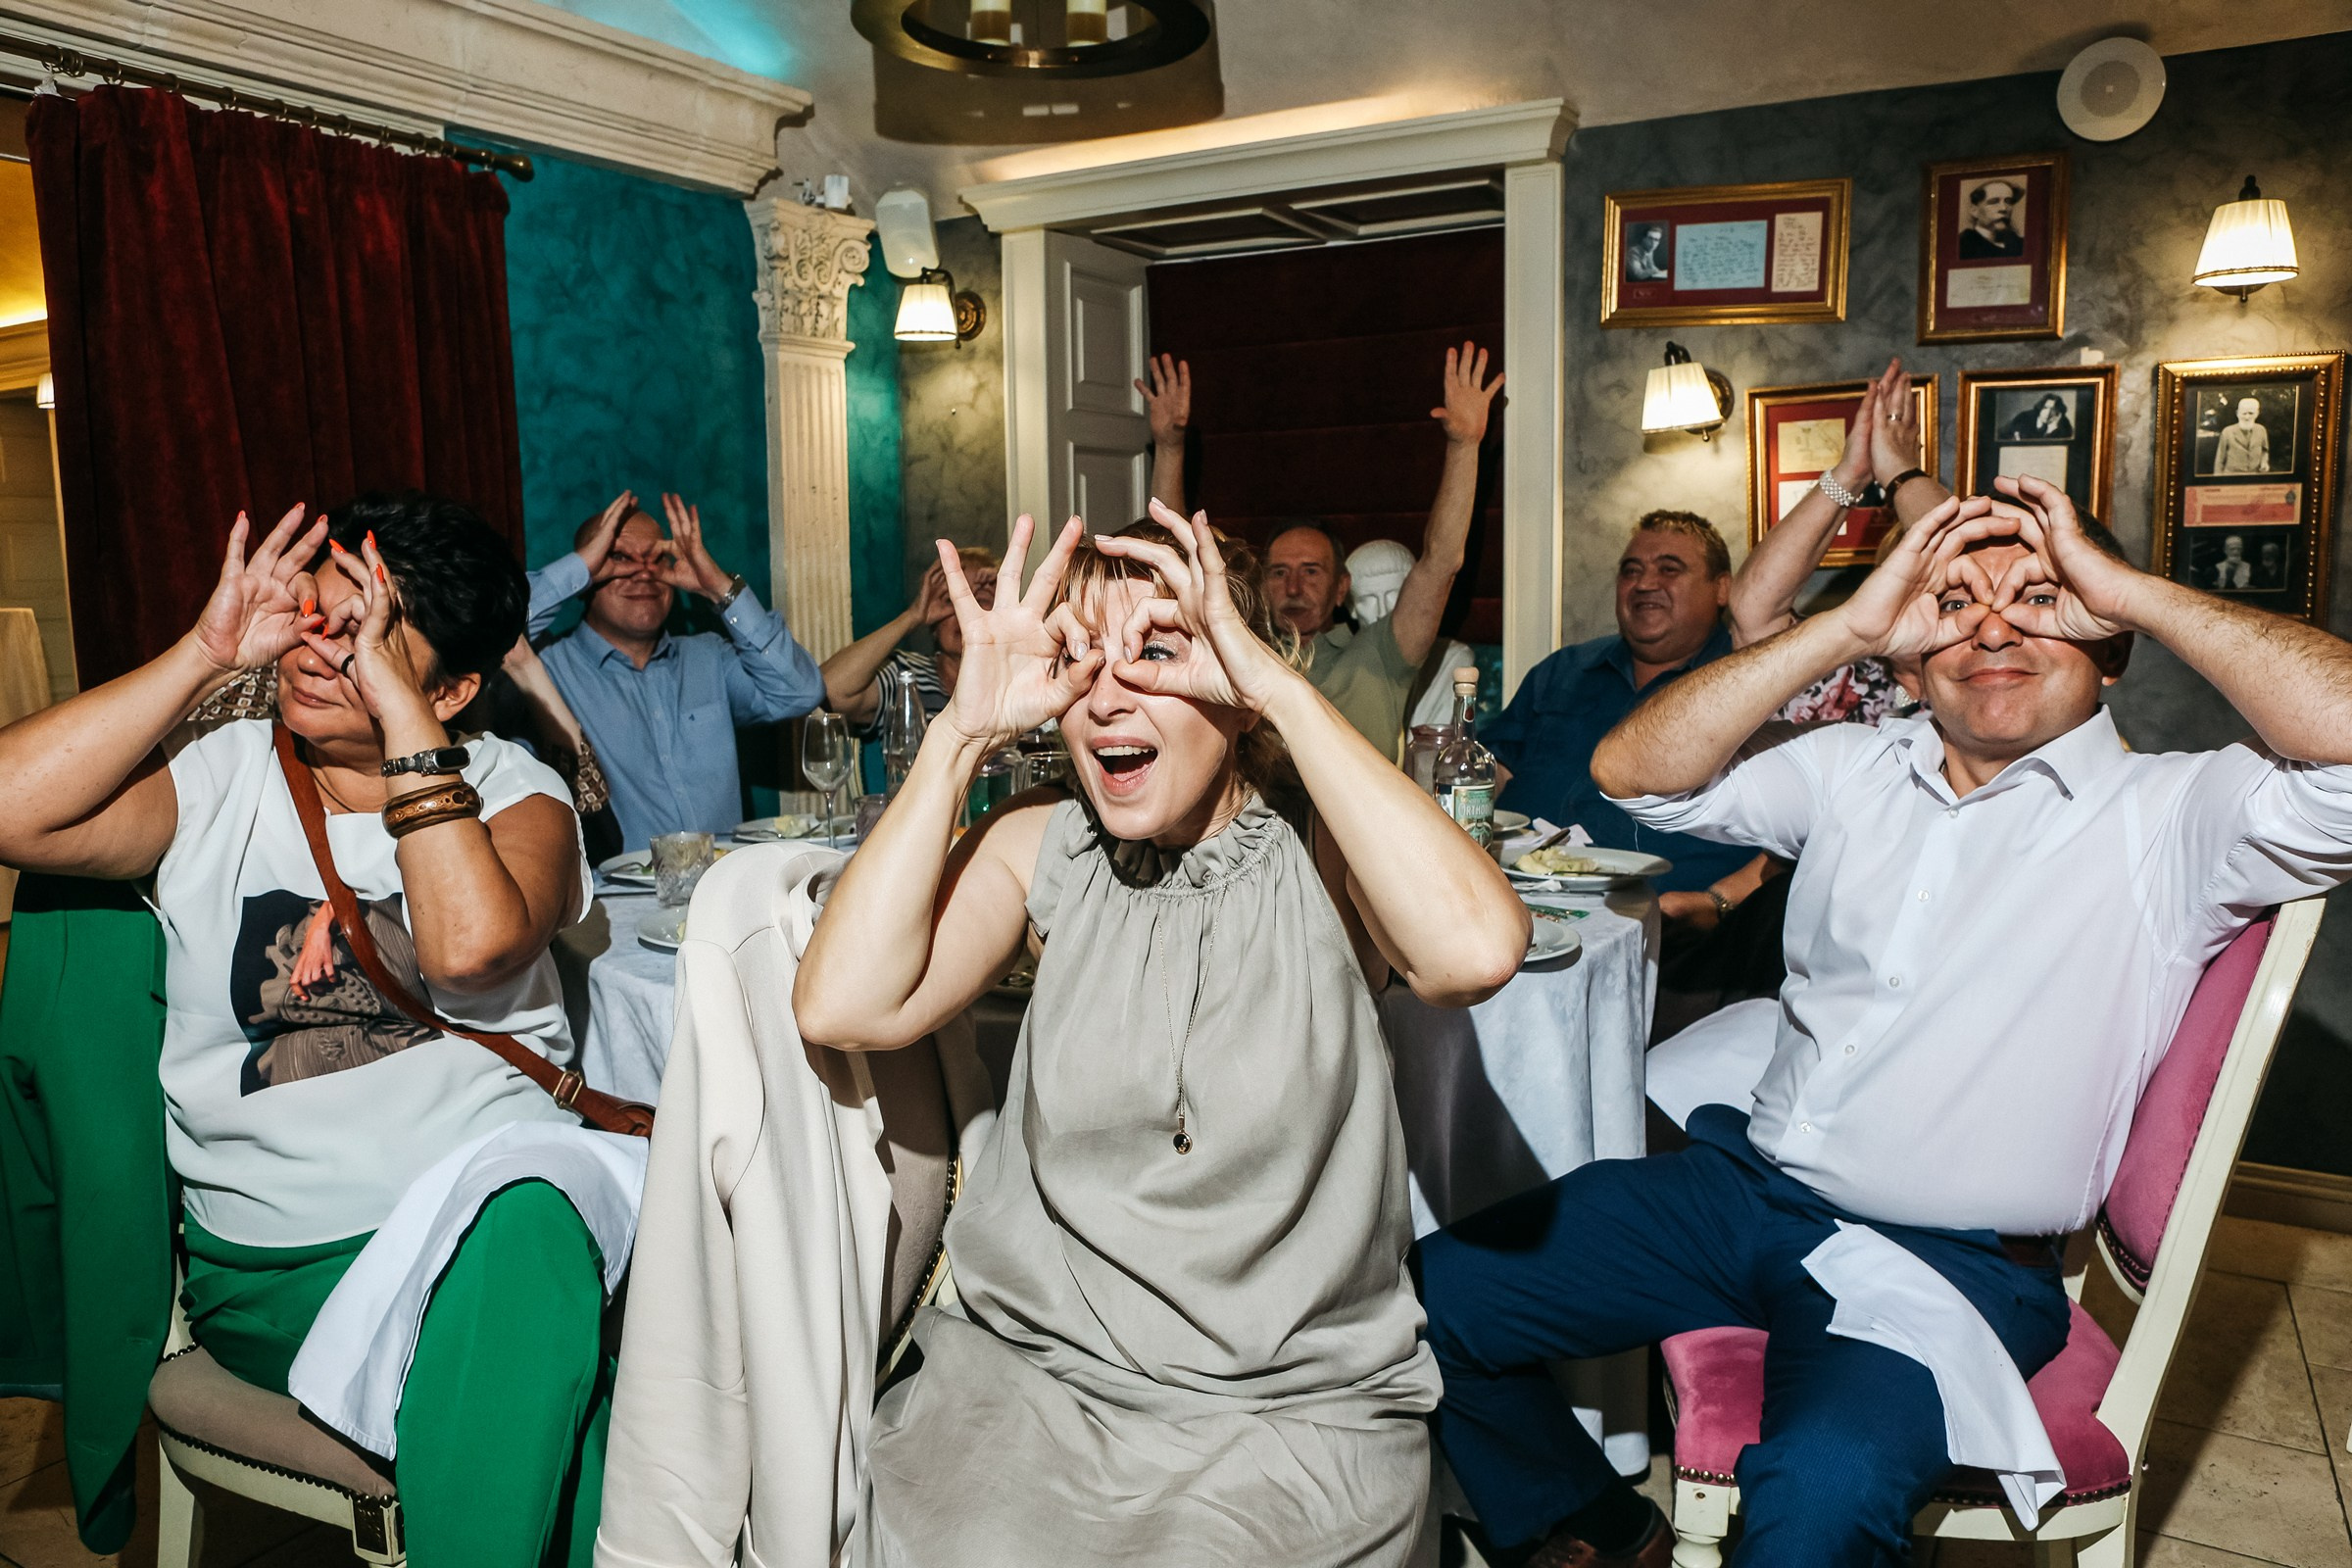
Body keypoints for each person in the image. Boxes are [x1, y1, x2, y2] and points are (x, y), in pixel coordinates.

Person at [1416, 473, 2352, 1565]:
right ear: (1911, 648)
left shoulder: (2176, 815)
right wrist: (1846, 628)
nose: (1992, 628)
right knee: (1418, 1305)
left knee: (1820, 1494)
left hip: (1944, 1264)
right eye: (1954, 603)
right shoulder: (1851, 767)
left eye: (2042, 598)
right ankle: (1598, 1523)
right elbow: (1635, 774)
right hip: (1743, 1191)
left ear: (2109, 643)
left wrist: (2133, 590)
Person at [794, 504, 1529, 1567]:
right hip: (1039, 1383)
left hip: (1288, 1409)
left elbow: (1476, 952)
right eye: (1081, 659)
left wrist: (1280, 690)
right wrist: (959, 735)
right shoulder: (1043, 840)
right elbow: (843, 1006)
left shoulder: (1320, 845)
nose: (1107, 697)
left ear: (1232, 673)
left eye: (1159, 652)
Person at [0, 496, 614, 1568]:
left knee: (529, 1240)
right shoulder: (219, 771)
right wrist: (203, 657)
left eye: (366, 638)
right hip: (294, 1265)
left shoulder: (518, 792)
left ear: (451, 692)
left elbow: (469, 947)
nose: (319, 651)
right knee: (580, 1350)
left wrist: (406, 729)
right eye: (316, 617)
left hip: (499, 1218)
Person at [1219, 342, 1501, 756]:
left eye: (1311, 571)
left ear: (1341, 587)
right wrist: (1170, 448)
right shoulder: (1241, 650)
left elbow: (1440, 564)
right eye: (1279, 572)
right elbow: (1175, 566)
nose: (1293, 587)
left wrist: (1464, 446)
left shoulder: (1378, 654)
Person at [1483, 511, 1751, 916]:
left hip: (1661, 922)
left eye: (1669, 569)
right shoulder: (1562, 670)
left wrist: (1717, 903)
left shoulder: (1747, 684)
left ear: (1722, 588)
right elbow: (1491, 773)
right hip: (1509, 902)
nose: (1644, 584)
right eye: (1631, 571)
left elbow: (1803, 832)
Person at [531, 491, 823, 848]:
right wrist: (579, 568)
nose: (643, 573)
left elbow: (800, 692)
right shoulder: (545, 668)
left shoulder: (709, 656)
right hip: (618, 884)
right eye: (619, 558)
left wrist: (719, 588)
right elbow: (483, 630)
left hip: (723, 875)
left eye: (656, 559)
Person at [818, 548, 999, 740]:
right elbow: (828, 691)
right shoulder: (906, 676)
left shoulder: (1016, 677)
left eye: (980, 601)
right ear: (935, 628)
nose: (965, 614)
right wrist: (913, 616)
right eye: (950, 601)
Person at [1345, 537, 1480, 730]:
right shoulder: (1339, 667)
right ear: (1351, 608)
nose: (1383, 611)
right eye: (1368, 599)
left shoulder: (1452, 661)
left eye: (1394, 595)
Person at [1957, 178, 2025, 258]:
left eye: (2008, 201)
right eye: (1993, 202)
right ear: (1974, 210)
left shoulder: (2021, 244)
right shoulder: (1962, 245)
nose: (2003, 208)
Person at [2216, 397, 2272, 473]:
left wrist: (2264, 462)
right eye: (2244, 413)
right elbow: (2219, 460)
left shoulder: (2261, 430)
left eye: (2251, 413)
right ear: (2237, 414)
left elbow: (2264, 451)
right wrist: (2218, 479)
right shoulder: (2227, 432)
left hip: (2254, 476)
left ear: (2257, 413)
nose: (2247, 417)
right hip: (2232, 476)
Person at [2000, 392, 2072, 442]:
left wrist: (2051, 430)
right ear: (2040, 407)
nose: (2048, 413)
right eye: (2045, 408)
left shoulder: (2064, 425)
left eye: (2053, 409)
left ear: (2058, 412)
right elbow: (2003, 435)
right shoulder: (2024, 417)